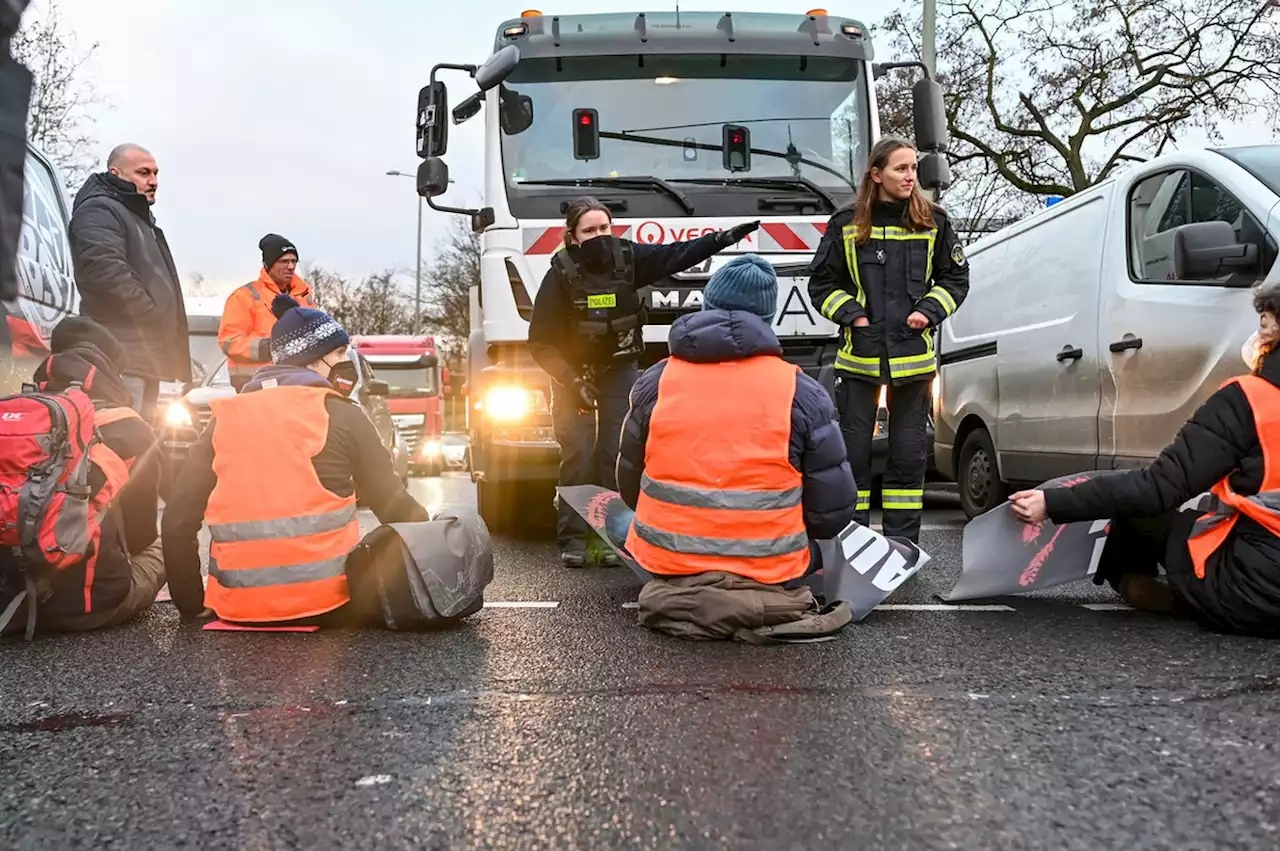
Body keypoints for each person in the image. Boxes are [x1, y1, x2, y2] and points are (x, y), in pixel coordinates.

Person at [1008, 281, 1280, 638]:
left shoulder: (1251, 400)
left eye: (1263, 322)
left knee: (1145, 510)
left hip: (1256, 594)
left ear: (1273, 330)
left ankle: (1148, 586)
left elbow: (1158, 488)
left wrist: (1051, 502)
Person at [162, 295, 430, 626]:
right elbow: (393, 506)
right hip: (328, 604)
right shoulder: (342, 413)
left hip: (236, 607)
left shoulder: (224, 418)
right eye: (340, 353)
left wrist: (191, 603)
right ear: (315, 358)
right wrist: (436, 540)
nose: (345, 362)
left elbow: (177, 518)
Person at [528, 196, 760, 567]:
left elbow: (677, 255)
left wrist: (723, 238)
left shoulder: (629, 259)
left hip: (618, 367)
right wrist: (572, 382)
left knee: (614, 453)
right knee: (578, 452)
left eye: (605, 228)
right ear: (572, 237)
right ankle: (573, 538)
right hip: (572, 373)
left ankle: (610, 535)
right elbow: (540, 341)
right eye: (590, 230)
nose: (600, 236)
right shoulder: (559, 275)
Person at [614, 254, 858, 581]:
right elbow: (832, 511)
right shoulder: (803, 393)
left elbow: (630, 485)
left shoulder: (654, 383)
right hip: (770, 568)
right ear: (768, 318)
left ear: (706, 306)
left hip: (666, 561)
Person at [807, 136, 970, 544]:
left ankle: (901, 548)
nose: (910, 176)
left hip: (913, 366)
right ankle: (852, 544)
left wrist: (928, 311)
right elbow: (822, 284)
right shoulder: (846, 224)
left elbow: (955, 278)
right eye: (901, 168)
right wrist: (853, 316)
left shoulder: (935, 221)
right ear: (876, 175)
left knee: (909, 459)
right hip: (858, 364)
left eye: (914, 168)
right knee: (852, 458)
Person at [0, 317, 165, 634]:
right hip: (90, 605)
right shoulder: (130, 426)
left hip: (9, 602)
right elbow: (143, 533)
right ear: (110, 370)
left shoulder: (14, 415)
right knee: (164, 546)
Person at [69, 143, 190, 422]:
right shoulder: (99, 210)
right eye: (144, 173)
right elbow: (104, 272)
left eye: (156, 173)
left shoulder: (135, 216)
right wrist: (151, 315)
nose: (154, 181)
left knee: (141, 450)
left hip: (142, 357)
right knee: (122, 445)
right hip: (120, 358)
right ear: (116, 173)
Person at [219, 233, 316, 391]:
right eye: (284, 261)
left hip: (296, 383)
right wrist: (272, 347)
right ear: (268, 264)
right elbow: (230, 342)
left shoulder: (305, 297)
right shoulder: (244, 297)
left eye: (293, 261)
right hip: (253, 385)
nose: (291, 267)